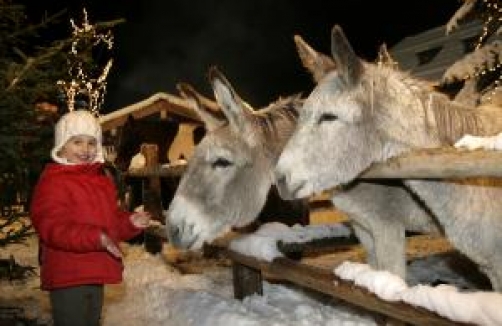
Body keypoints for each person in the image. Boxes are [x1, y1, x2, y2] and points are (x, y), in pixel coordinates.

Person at [30, 109, 151, 326]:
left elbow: (111, 223)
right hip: (68, 276)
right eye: (77, 142)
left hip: (96, 272)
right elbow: (52, 228)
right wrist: (96, 238)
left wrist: (130, 222)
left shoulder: (100, 181)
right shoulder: (53, 182)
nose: (85, 149)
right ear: (62, 146)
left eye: (91, 143)